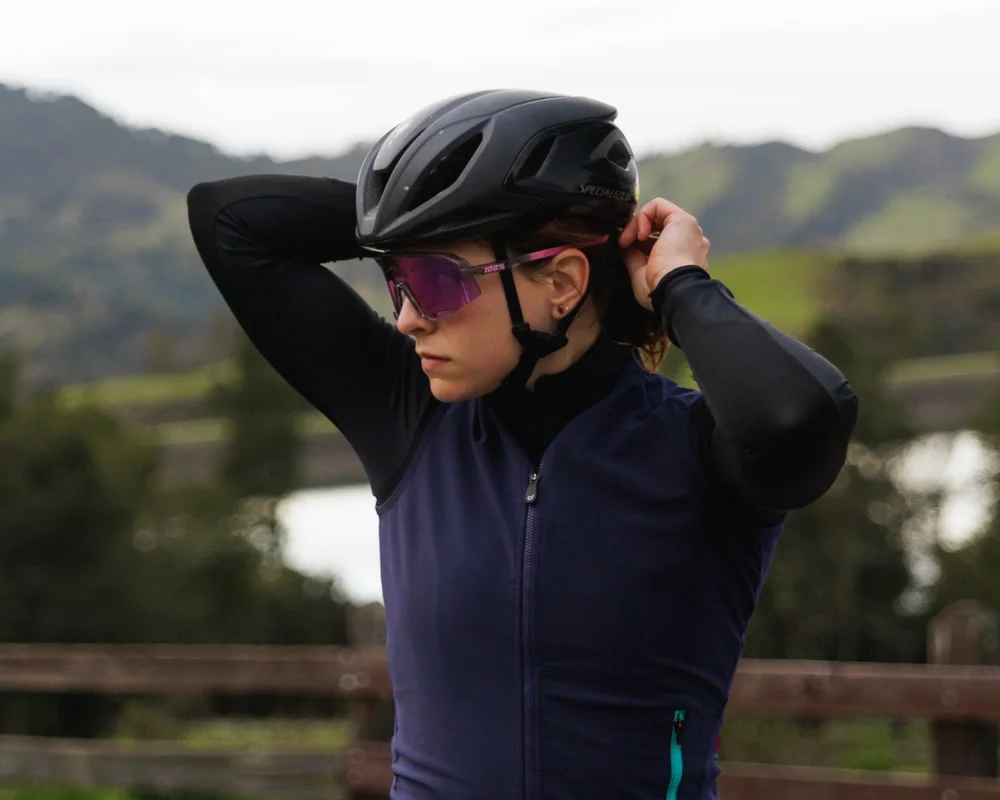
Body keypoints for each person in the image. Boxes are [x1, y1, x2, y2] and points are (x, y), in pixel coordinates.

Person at [187, 89, 858, 800]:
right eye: (396, 280)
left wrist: (681, 285)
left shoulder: (700, 448)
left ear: (562, 282)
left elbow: (799, 417)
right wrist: (420, 221)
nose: (408, 318)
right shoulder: (411, 418)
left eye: (435, 280)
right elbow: (230, 220)